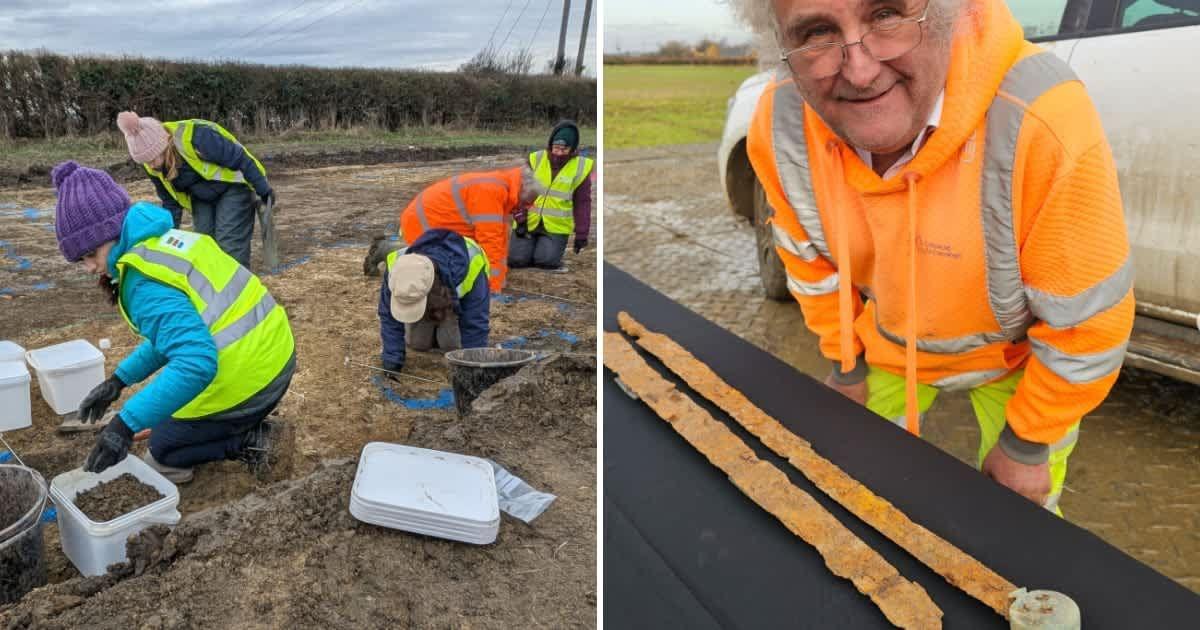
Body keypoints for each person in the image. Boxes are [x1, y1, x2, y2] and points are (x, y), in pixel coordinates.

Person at [743, 0, 1133, 513]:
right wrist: (845, 364)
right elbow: (810, 265)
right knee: (851, 492)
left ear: (953, 12)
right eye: (817, 31)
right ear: (781, 45)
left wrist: (1027, 444)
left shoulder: (1042, 115)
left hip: (1015, 359)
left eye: (886, 14)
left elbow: (1088, 324)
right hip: (885, 343)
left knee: (1022, 522)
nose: (859, 71)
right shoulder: (783, 125)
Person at [51, 160, 295, 483]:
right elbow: (171, 337)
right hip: (273, 353)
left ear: (109, 232)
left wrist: (124, 425)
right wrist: (118, 382)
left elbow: (196, 362)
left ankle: (251, 440)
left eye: (89, 255)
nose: (89, 268)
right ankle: (240, 420)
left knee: (164, 449)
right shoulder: (159, 243)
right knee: (165, 414)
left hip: (253, 376)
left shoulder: (141, 282)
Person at [116, 111, 274, 268]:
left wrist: (263, 190)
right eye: (144, 162)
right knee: (204, 245)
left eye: (152, 159)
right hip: (200, 196)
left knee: (229, 245)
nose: (150, 166)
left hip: (233, 187)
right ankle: (214, 291)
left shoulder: (197, 137)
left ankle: (238, 289)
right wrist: (168, 237)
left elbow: (239, 158)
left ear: (165, 145)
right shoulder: (152, 166)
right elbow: (171, 201)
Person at [398, 164, 546, 293]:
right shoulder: (491, 191)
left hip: (432, 226)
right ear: (520, 194)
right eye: (525, 204)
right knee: (458, 269)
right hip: (422, 230)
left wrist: (501, 275)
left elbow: (500, 238)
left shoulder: (502, 187)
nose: (523, 209)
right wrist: (493, 287)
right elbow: (490, 241)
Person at [379, 229, 490, 375]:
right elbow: (388, 316)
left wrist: (474, 366)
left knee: (450, 344)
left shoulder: (472, 265)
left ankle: (443, 325)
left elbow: (475, 321)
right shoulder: (396, 267)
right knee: (418, 344)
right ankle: (431, 328)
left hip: (457, 306)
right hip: (435, 296)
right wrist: (392, 361)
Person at [509, 121, 595, 270]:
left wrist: (582, 233)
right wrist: (520, 218)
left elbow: (583, 203)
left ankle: (546, 250)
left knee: (546, 262)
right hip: (528, 223)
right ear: (550, 144)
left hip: (556, 227)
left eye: (564, 149)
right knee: (516, 261)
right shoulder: (535, 159)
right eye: (556, 148)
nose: (559, 152)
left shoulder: (581, 168)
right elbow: (519, 191)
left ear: (573, 148)